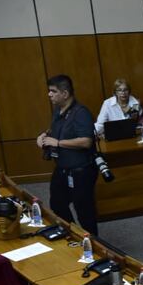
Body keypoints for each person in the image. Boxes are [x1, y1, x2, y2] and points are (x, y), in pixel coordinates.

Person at [36, 74, 98, 235]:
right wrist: (44, 135)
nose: (49, 94)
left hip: (81, 170)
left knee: (84, 210)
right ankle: (74, 235)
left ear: (65, 94)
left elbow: (86, 141)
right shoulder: (58, 111)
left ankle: (94, 244)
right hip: (62, 168)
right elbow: (55, 130)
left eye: (53, 91)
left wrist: (57, 143)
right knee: (57, 204)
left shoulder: (81, 113)